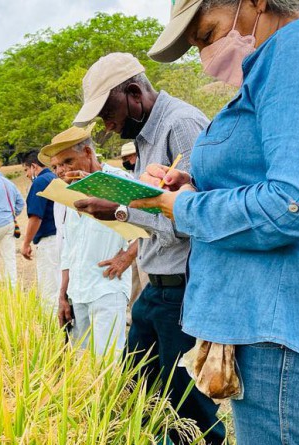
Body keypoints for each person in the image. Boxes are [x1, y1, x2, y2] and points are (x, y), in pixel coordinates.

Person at [131, 1, 299, 443]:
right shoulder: (276, 65)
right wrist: (194, 183)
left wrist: (182, 207)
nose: (206, 58)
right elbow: (277, 177)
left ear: (253, 3)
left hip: (294, 341)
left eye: (208, 34)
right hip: (277, 338)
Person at [72, 52, 223, 444]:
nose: (107, 126)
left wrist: (120, 210)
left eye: (108, 113)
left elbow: (195, 219)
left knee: (189, 404)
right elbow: (153, 210)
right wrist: (119, 209)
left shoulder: (182, 124)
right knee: (139, 389)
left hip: (184, 289)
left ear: (135, 93)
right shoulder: (144, 137)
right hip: (155, 287)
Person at [40, 124, 131, 355]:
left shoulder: (119, 180)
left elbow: (153, 221)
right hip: (78, 291)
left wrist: (127, 257)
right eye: (56, 166)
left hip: (107, 288)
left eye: (68, 162)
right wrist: (63, 293)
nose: (61, 171)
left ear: (88, 153)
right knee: (81, 365)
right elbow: (69, 247)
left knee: (106, 366)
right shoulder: (70, 191)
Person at [20, 150, 61, 310]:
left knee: (49, 288)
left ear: (33, 166)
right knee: (60, 286)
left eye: (26, 170)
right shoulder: (54, 178)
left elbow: (35, 216)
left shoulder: (40, 181)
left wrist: (26, 243)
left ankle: (52, 328)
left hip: (49, 240)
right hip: (61, 238)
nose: (26, 175)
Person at [118, 141, 149, 325]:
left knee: (146, 278)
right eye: (124, 158)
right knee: (134, 279)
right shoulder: (129, 177)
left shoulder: (145, 176)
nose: (127, 161)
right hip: (132, 234)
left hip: (145, 234)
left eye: (129, 156)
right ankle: (134, 313)